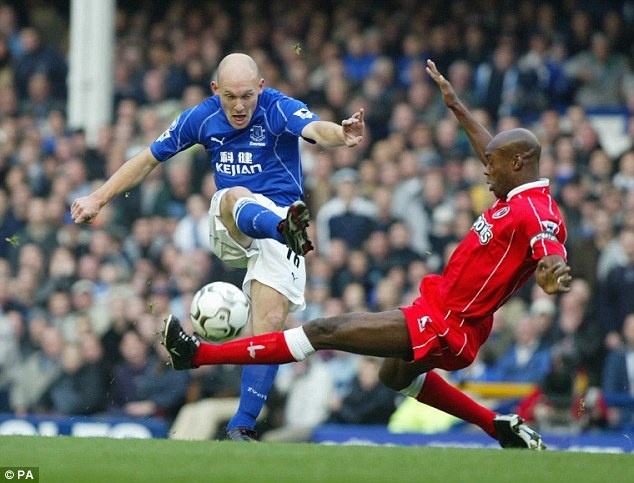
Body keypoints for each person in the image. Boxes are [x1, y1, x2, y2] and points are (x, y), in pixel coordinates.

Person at [162, 59, 572, 450]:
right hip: (441, 311)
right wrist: (455, 105)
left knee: (324, 331)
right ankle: (496, 424)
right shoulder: (516, 191)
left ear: (518, 163)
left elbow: (549, 245)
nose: (485, 169)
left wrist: (553, 269)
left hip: (449, 322)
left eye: (493, 164)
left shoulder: (537, 211)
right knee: (394, 375)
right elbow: (492, 152)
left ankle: (197, 355)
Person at [71, 52, 365, 441]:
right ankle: (280, 229)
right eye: (230, 97)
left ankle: (241, 427)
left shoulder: (277, 107)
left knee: (270, 325)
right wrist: (98, 198)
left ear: (261, 87)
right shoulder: (201, 117)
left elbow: (314, 129)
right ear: (215, 90)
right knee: (234, 194)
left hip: (283, 216)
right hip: (233, 223)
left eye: (247, 96)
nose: (239, 106)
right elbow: (147, 159)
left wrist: (341, 135)